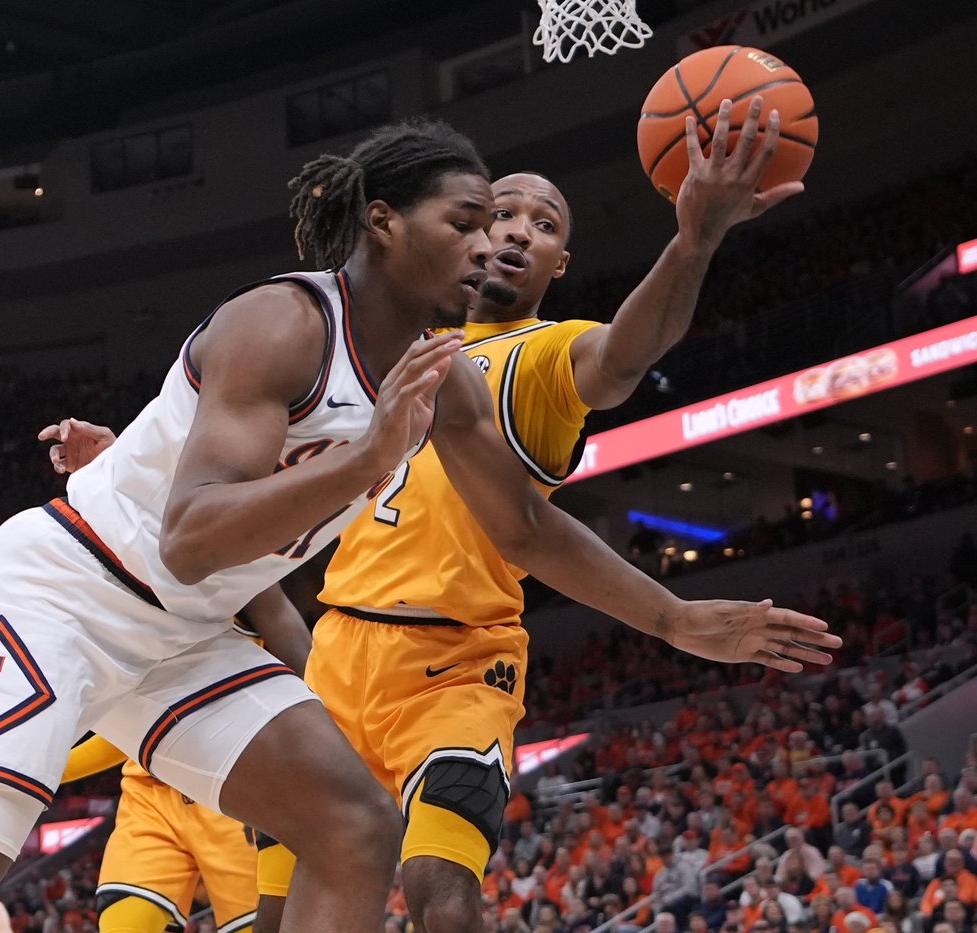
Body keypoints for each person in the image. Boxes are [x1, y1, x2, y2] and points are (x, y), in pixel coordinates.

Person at [0, 116, 830, 933]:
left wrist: (678, 618)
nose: (484, 243)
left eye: (498, 226)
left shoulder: (443, 371)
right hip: (66, 598)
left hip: (187, 636)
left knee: (351, 823)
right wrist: (363, 456)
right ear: (385, 227)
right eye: (463, 222)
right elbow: (197, 533)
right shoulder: (280, 326)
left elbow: (520, 529)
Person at [251, 96, 827, 933]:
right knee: (278, 916)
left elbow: (627, 354)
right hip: (336, 649)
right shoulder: (385, 354)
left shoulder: (543, 356)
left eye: (543, 223)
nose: (517, 230)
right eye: (497, 214)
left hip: (459, 660)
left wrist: (693, 240)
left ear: (560, 263)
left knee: (439, 888)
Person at [52, 584, 311, 933]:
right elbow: (131, 725)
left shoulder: (239, 570)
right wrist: (44, 769)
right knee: (124, 924)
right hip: (151, 792)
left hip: (230, 784)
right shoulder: (110, 581)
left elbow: (305, 660)